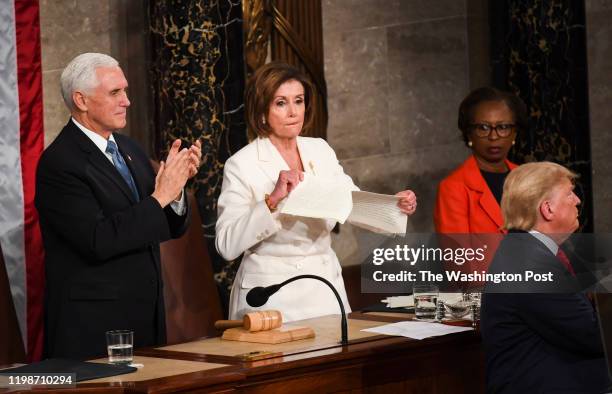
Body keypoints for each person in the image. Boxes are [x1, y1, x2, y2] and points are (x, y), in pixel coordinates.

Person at [215, 62, 417, 322]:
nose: (293, 112)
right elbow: (226, 244)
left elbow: (351, 202)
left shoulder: (320, 150)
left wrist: (395, 206)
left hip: (324, 291)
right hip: (271, 296)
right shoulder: (241, 164)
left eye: (298, 101)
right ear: (262, 111)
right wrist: (272, 202)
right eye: (281, 103)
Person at [35, 53, 201, 359]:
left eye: (124, 90)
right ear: (81, 100)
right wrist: (160, 196)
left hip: (146, 322)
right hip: (94, 331)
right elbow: (98, 240)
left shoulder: (129, 148)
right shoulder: (59, 163)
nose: (127, 101)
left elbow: (167, 226)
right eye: (115, 93)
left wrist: (176, 191)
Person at [480, 162, 609, 393]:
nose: (577, 200)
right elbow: (596, 337)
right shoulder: (529, 263)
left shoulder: (526, 251)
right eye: (569, 193)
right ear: (547, 209)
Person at [434, 87, 527, 234]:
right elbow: (457, 256)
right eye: (483, 128)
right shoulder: (453, 188)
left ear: (514, 133)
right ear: (469, 134)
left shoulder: (527, 178)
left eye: (503, 127)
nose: (493, 137)